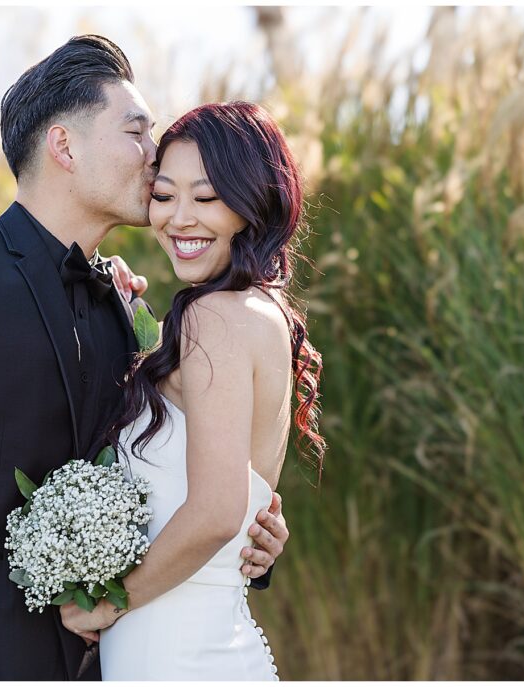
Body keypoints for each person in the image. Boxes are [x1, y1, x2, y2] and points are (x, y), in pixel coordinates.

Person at [0, 36, 289, 681]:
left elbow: (173, 486)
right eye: (136, 132)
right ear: (66, 147)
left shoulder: (131, 313)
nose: (154, 156)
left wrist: (253, 541)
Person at [59, 102, 326, 680]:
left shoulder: (216, 318)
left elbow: (216, 512)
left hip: (181, 656)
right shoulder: (259, 313)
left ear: (253, 203)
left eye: (206, 198)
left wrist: (107, 604)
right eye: (164, 195)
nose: (180, 219)